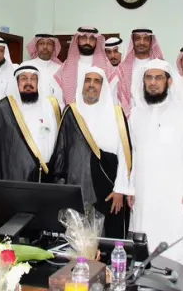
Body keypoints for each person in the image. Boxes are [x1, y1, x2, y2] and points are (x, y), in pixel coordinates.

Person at [128, 60, 183, 273]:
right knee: (145, 237)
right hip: (144, 190)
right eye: (149, 78)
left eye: (158, 78)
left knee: (172, 241)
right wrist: (131, 187)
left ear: (169, 82)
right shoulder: (136, 114)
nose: (153, 83)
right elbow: (133, 153)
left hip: (175, 192)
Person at [50, 68, 133, 238]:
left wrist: (120, 189)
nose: (91, 85)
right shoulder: (71, 111)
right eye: (88, 80)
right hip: (77, 184)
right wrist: (61, 187)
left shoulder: (115, 113)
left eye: (97, 81)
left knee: (109, 237)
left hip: (109, 186)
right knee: (78, 238)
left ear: (103, 86)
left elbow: (125, 153)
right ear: (82, 84)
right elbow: (61, 151)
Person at [0, 65, 61, 182]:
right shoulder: (4, 109)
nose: (28, 83)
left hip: (46, 177)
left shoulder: (50, 107)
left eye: (33, 78)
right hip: (14, 178)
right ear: (16, 82)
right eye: (24, 78)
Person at [53, 27, 117, 108]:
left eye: (92, 39)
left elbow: (113, 99)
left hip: (99, 115)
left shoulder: (106, 67)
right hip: (73, 116)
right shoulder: (66, 67)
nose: (88, 42)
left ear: (96, 41)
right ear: (77, 40)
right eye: (83, 38)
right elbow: (59, 99)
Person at [116, 28, 165, 115]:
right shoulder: (122, 68)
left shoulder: (161, 66)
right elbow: (120, 98)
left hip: (157, 115)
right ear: (133, 41)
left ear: (151, 42)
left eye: (146, 39)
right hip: (131, 118)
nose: (141, 42)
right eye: (138, 38)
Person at [26, 34, 64, 102]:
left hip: (55, 111)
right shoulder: (25, 66)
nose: (45, 47)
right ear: (36, 46)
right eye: (41, 43)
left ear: (54, 48)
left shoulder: (60, 69)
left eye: (49, 44)